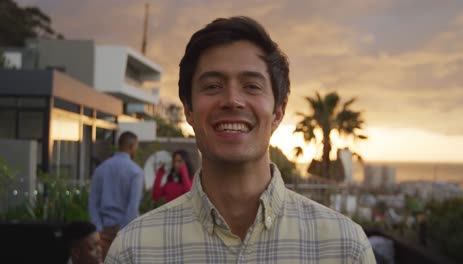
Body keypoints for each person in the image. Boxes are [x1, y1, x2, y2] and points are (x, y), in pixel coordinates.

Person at [106, 16, 375, 263]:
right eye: (213, 86)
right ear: (188, 109)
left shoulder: (344, 248)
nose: (232, 100)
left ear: (278, 111)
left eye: (251, 86)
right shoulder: (135, 251)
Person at [88, 131, 143, 259]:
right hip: (125, 234)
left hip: (103, 232)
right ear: (132, 146)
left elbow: (93, 202)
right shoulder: (136, 172)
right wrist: (123, 232)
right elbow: (132, 208)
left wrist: (98, 228)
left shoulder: (101, 169)